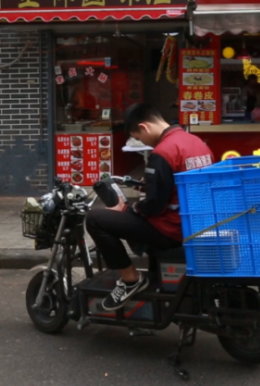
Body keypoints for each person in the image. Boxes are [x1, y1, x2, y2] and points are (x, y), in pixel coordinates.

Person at [85, 103, 214, 311]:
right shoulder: (195, 141)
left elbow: (153, 206)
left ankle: (130, 280)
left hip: (173, 229)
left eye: (137, 137)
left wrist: (129, 209)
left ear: (144, 127)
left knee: (95, 219)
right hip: (195, 222)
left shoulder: (164, 152)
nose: (140, 142)